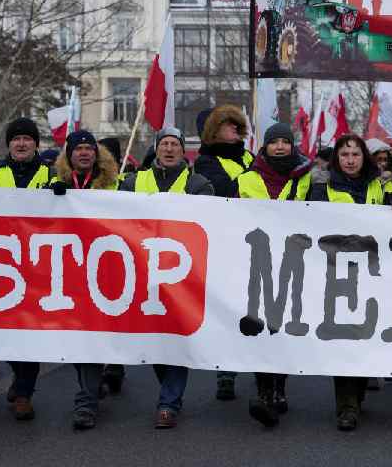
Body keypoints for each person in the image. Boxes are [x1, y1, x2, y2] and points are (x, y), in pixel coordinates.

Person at [307, 134, 392, 431]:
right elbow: (309, 223)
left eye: (355, 154)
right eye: (344, 154)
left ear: (364, 157)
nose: (350, 159)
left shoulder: (383, 184)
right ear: (337, 158)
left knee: (365, 335)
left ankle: (357, 393)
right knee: (344, 338)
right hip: (337, 271)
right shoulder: (320, 186)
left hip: (375, 271)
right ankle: (347, 406)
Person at [120, 127, 213, 428]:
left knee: (174, 337)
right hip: (140, 274)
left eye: (175, 144)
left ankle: (169, 403)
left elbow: (210, 222)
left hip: (180, 275)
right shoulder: (133, 182)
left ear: (183, 151)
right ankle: (169, 392)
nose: (170, 149)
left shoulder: (199, 184)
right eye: (165, 144)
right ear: (157, 149)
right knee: (154, 337)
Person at [236, 123, 313, 428]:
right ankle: (264, 392)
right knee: (257, 325)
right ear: (264, 147)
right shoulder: (246, 179)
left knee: (282, 326)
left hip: (295, 260)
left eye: (285, 142)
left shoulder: (308, 177)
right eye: (274, 142)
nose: (280, 147)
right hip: (255, 261)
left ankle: (280, 386)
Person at [49, 130, 120, 430]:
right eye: (77, 148)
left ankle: (88, 398)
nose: (83, 153)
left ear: (97, 153)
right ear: (68, 155)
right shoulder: (54, 186)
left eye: (89, 148)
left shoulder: (116, 187)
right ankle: (89, 394)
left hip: (106, 272)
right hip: (71, 273)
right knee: (81, 338)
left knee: (95, 336)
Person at [0, 117, 53, 420]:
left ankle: (24, 393)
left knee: (33, 336)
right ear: (8, 144)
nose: (21, 144)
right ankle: (19, 378)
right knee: (7, 334)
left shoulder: (50, 175)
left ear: (36, 144)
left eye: (27, 139)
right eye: (16, 139)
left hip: (39, 268)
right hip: (3, 270)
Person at [193, 105, 253, 402]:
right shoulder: (206, 162)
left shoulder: (250, 157)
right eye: (227, 126)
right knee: (230, 310)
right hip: (225, 244)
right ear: (214, 131)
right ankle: (226, 372)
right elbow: (228, 189)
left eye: (235, 125)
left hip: (253, 243)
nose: (233, 130)